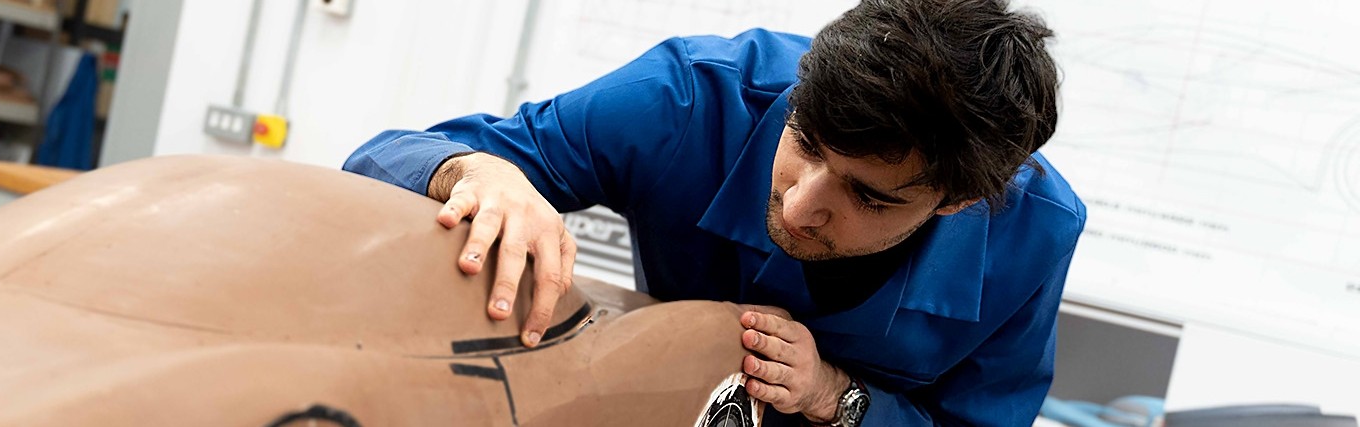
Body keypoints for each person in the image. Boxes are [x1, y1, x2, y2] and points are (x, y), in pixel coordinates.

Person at [342, 0, 1086, 425]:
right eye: (805, 141)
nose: (799, 203)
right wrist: (480, 171)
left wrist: (838, 395)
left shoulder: (1035, 231)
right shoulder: (691, 96)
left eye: (867, 194)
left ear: (955, 201)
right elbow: (390, 154)